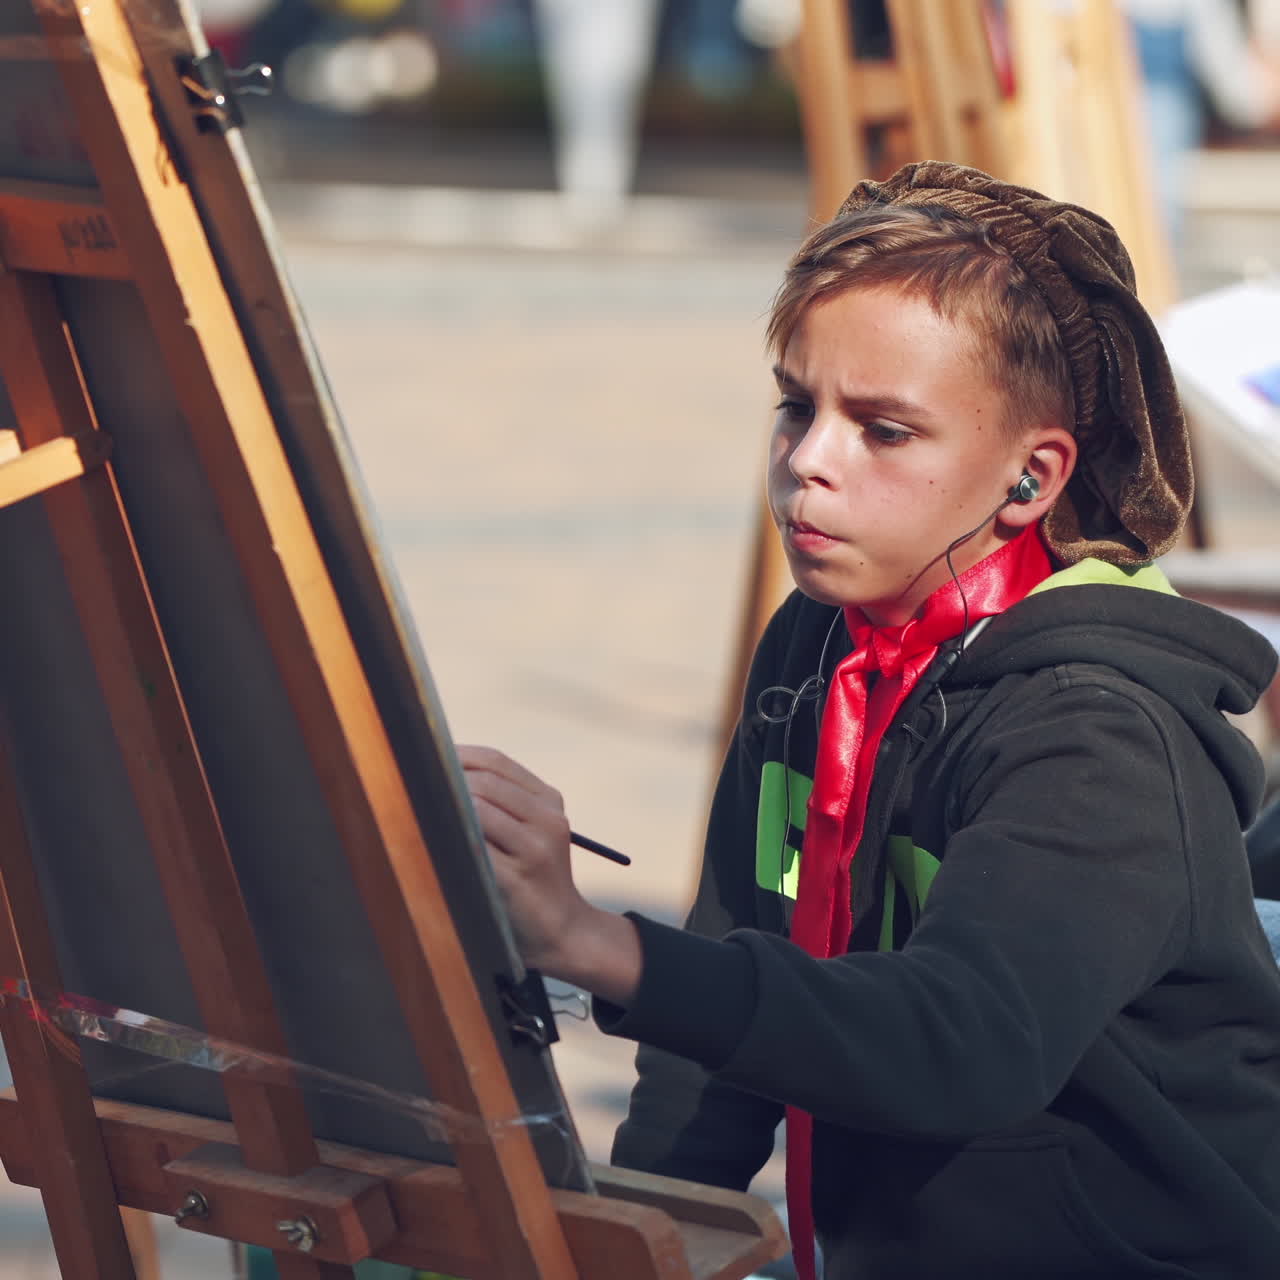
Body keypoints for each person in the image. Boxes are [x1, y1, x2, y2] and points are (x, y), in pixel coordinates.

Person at [460, 161, 1280, 1279]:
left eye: (882, 431)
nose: (807, 460)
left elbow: (962, 1041)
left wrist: (593, 941)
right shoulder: (817, 641)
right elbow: (733, 976)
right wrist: (642, 1230)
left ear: (1029, 479)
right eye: (796, 406)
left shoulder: (1097, 726)